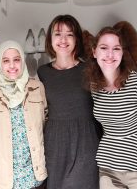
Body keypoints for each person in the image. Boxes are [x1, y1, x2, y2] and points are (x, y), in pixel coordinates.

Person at [84, 26, 137, 189]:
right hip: (108, 169)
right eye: (104, 48)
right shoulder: (95, 86)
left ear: (122, 53)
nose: (110, 54)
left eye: (116, 48)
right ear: (94, 52)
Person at [37, 14, 101, 189]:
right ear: (50, 39)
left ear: (77, 39)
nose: (63, 39)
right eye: (58, 34)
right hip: (55, 145)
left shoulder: (90, 68)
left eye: (70, 34)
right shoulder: (42, 72)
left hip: (86, 143)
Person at [0, 40, 48, 189]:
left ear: (23, 61)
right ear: (0, 64)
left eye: (16, 59)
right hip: (5, 180)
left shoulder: (37, 87)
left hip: (35, 176)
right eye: (6, 61)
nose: (12, 65)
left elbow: (46, 121)